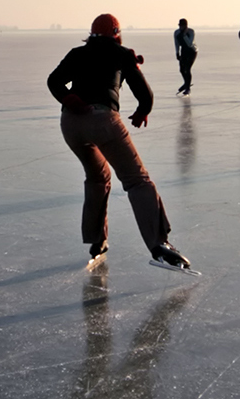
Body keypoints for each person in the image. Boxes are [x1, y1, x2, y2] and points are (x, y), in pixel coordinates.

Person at [48, 14, 194, 273]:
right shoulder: (122, 53)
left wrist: (69, 98)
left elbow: (54, 81)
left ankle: (96, 241)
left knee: (97, 177)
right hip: (103, 121)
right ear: (116, 32)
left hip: (71, 124)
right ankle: (159, 243)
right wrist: (141, 112)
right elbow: (145, 95)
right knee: (137, 180)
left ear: (91, 33)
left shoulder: (77, 53)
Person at [173, 18, 196, 96]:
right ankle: (186, 83)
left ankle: (187, 88)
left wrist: (184, 35)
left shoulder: (191, 32)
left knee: (187, 68)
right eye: (180, 25)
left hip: (192, 51)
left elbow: (190, 44)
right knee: (182, 70)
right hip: (184, 51)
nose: (181, 27)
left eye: (182, 26)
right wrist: (177, 53)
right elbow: (176, 43)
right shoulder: (176, 33)